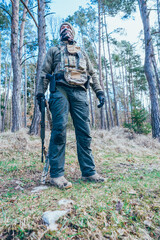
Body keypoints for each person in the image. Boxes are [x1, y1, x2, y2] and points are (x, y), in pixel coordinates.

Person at [37, 22, 105, 189]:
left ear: (73, 33)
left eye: (68, 28)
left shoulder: (82, 52)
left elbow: (92, 73)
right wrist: (39, 93)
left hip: (80, 91)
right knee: (59, 128)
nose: (65, 30)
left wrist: (100, 92)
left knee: (84, 131)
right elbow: (44, 72)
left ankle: (89, 171)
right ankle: (56, 175)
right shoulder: (54, 50)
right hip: (60, 89)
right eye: (62, 28)